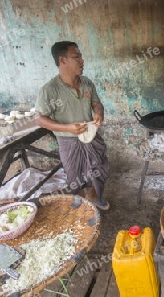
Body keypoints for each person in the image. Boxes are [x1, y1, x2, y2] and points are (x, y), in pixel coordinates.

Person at [35, 41, 110, 210]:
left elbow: (97, 104)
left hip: (91, 136)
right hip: (68, 142)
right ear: (62, 60)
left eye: (81, 56)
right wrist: (68, 128)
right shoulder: (50, 90)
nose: (82, 60)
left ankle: (94, 195)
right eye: (77, 57)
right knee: (75, 176)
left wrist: (99, 112)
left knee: (99, 168)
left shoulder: (87, 83)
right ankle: (81, 203)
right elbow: (39, 119)